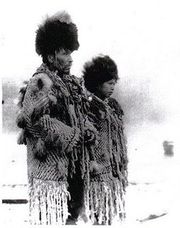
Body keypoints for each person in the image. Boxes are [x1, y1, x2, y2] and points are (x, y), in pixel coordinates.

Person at [16, 11, 96, 225]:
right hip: (50, 168)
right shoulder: (40, 82)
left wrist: (87, 128)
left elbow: (80, 115)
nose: (70, 58)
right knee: (52, 217)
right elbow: (34, 122)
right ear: (51, 55)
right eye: (65, 53)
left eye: (71, 53)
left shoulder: (71, 83)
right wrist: (71, 136)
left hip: (74, 169)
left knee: (72, 217)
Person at [82, 55, 128, 225]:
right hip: (97, 171)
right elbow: (87, 140)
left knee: (109, 213)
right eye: (109, 83)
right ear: (97, 82)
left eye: (114, 82)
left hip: (112, 169)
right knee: (98, 213)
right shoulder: (89, 106)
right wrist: (92, 161)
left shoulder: (113, 106)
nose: (113, 86)